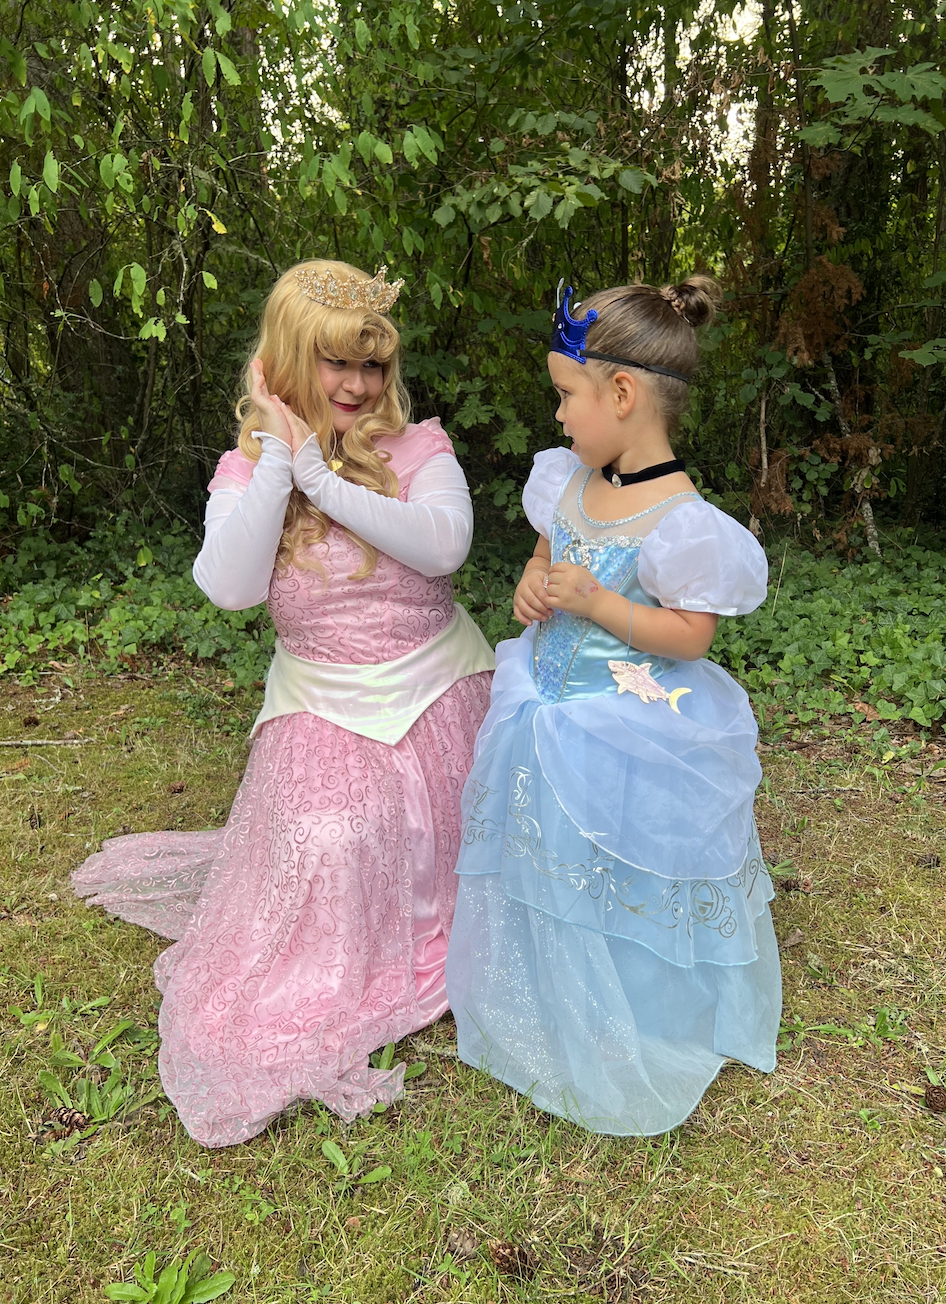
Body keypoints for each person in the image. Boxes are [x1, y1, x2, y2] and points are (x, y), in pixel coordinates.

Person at [73, 259, 494, 1147]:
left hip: (440, 686)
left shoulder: (419, 450)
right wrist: (279, 462)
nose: (357, 384)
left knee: (462, 830)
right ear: (286, 365)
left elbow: (445, 545)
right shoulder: (247, 469)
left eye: (373, 365)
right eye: (337, 362)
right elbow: (227, 587)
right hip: (322, 697)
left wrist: (326, 475)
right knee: (328, 843)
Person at [445, 276, 782, 1135]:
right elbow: (545, 552)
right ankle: (547, 987)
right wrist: (533, 587)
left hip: (621, 718)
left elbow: (689, 635)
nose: (557, 419)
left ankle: (633, 1000)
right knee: (548, 849)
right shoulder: (568, 481)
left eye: (566, 397)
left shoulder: (681, 520)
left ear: (622, 394)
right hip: (545, 702)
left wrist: (602, 607)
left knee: (620, 856)